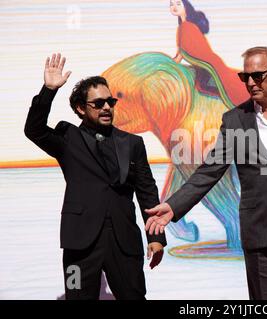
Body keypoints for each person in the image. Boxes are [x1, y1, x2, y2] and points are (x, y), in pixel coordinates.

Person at [145, 46, 267, 300]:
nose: (250, 82)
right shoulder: (235, 119)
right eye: (245, 77)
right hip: (260, 233)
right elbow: (210, 170)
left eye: (258, 75)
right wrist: (174, 206)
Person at [24, 53, 166, 300]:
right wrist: (48, 90)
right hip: (78, 243)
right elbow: (33, 129)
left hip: (124, 241)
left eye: (110, 101)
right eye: (98, 103)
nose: (107, 107)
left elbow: (146, 190)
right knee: (76, 296)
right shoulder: (67, 139)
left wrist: (155, 236)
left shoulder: (132, 143)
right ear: (81, 108)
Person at [170, 0, 249, 108]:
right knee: (202, 86)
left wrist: (174, 61)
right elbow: (182, 50)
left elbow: (185, 51)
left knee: (229, 84)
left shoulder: (187, 27)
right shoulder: (184, 27)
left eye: (178, 4)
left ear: (186, 7)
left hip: (211, 62)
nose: (174, 6)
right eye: (171, 4)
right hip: (210, 62)